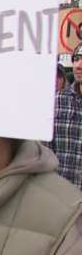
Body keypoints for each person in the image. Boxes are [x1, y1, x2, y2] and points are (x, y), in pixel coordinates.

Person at [45, 44, 82, 190]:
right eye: (76, 59)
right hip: (61, 197)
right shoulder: (57, 101)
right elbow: (43, 154)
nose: (78, 65)